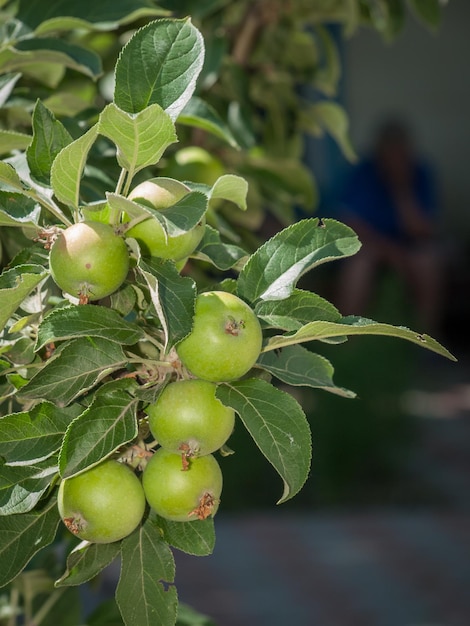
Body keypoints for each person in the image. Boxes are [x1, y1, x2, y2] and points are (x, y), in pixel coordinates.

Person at [336, 120, 442, 334]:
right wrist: (391, 252)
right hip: (371, 245)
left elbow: (424, 230)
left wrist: (401, 189)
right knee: (360, 265)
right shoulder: (364, 174)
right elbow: (350, 226)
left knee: (429, 262)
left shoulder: (420, 173)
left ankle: (425, 339)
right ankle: (345, 336)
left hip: (409, 247)